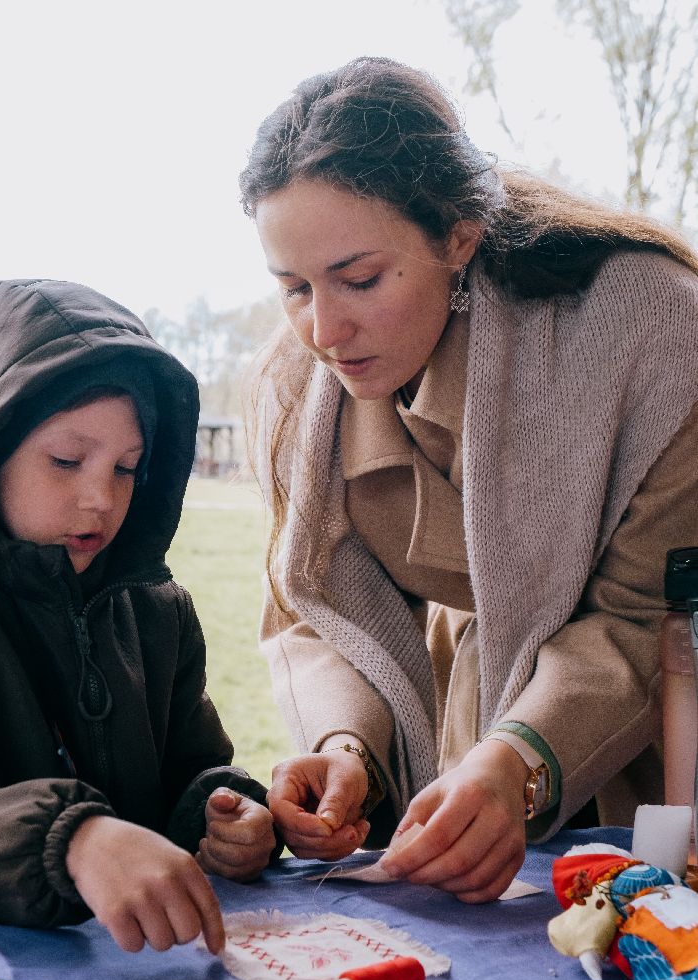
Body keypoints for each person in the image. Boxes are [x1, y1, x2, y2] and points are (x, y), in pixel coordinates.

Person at [239, 56, 698, 902]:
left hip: (658, 754)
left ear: (458, 235)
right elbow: (316, 609)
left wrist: (521, 758)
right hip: (470, 757)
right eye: (292, 287)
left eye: (360, 278)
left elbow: (648, 615)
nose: (323, 330)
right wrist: (346, 750)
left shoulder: (658, 340)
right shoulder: (295, 388)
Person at [0, 278, 277, 953]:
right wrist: (72, 839)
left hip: (146, 960)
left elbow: (193, 767)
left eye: (127, 468)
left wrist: (224, 814)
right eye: (66, 461)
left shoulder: (156, 608)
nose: (100, 496)